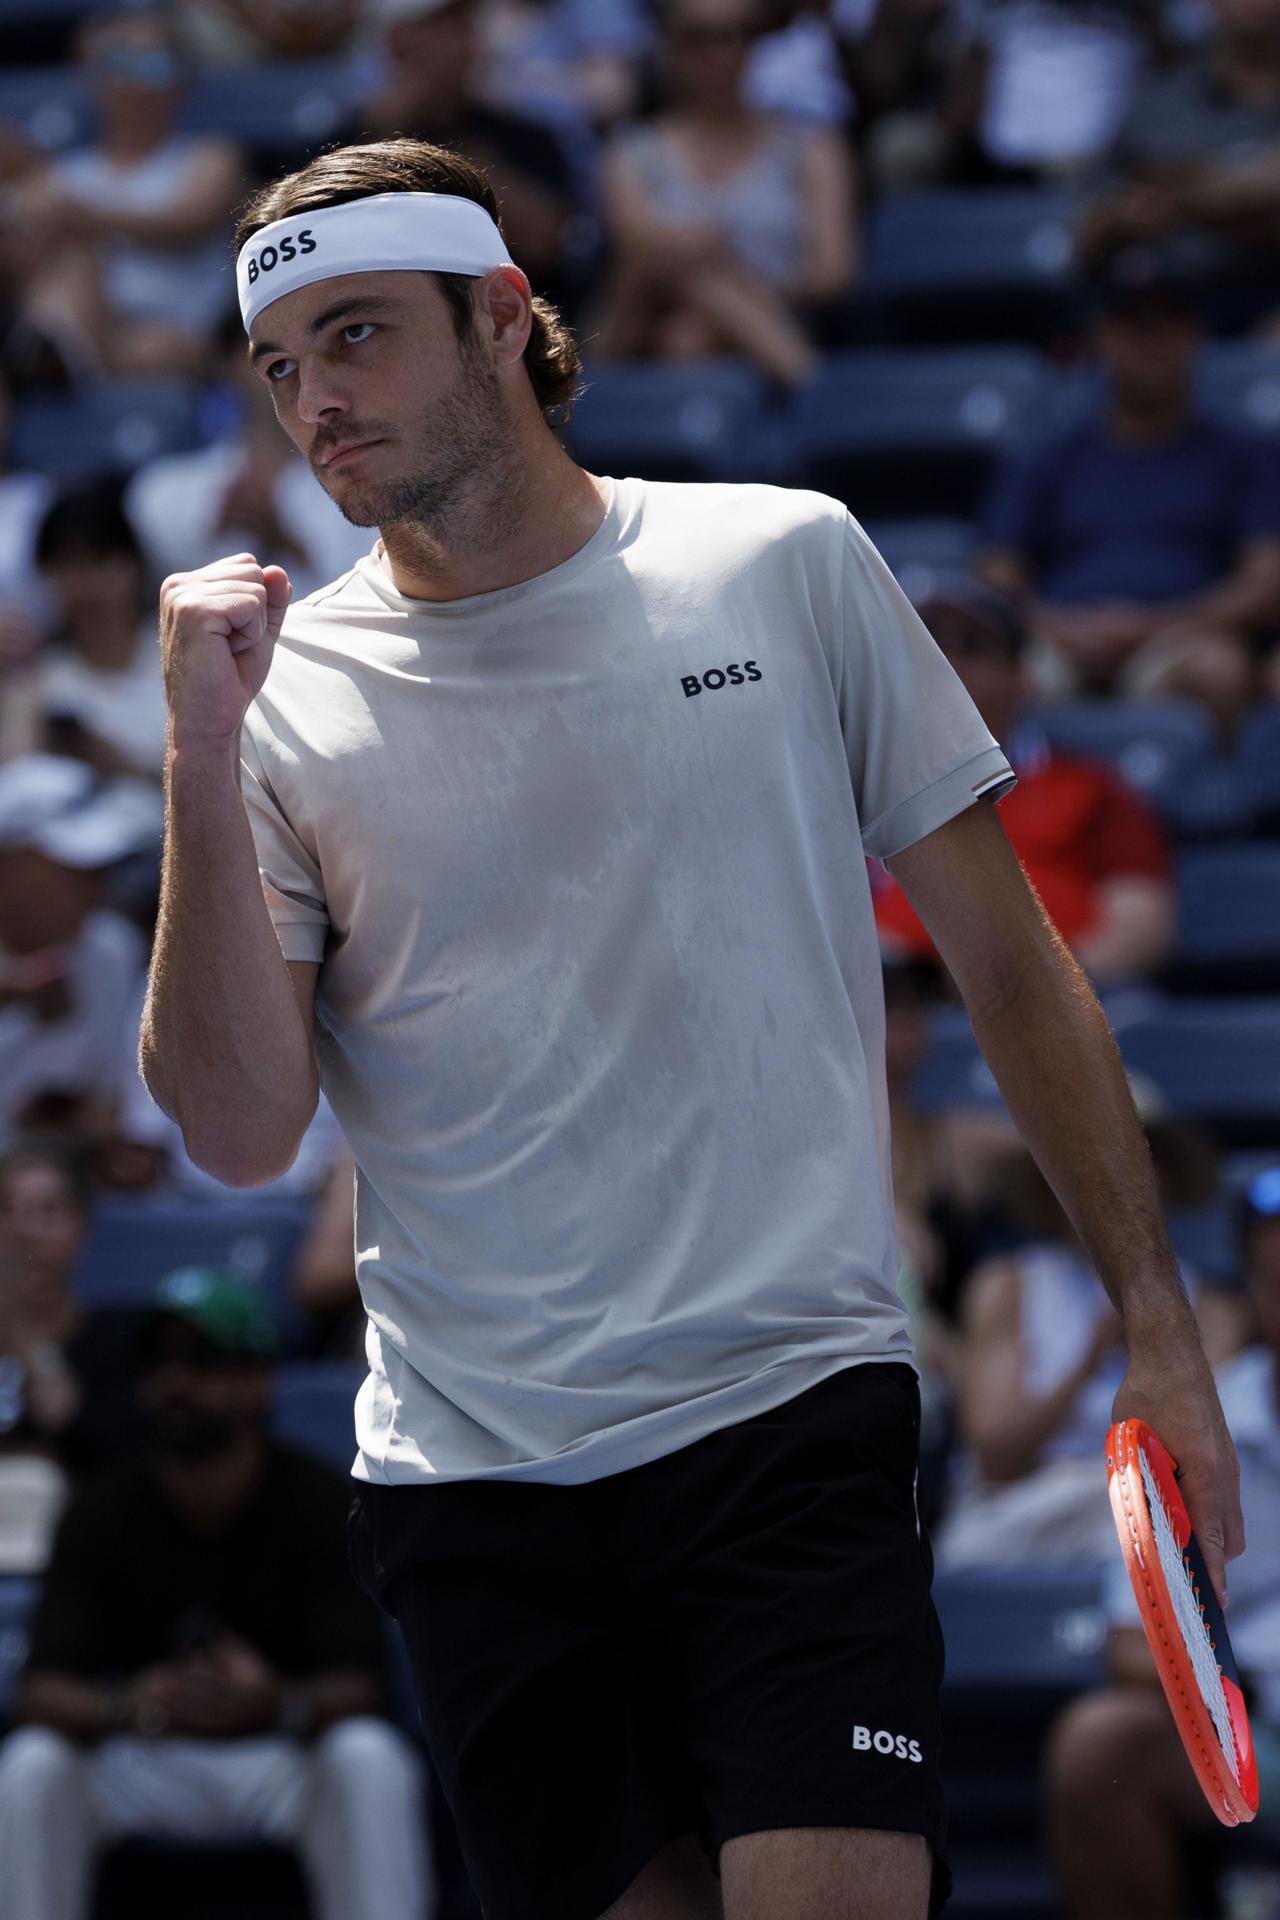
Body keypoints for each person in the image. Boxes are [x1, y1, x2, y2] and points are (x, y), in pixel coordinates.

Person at [139, 134, 1243, 1920]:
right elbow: (240, 1133)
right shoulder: (270, 710)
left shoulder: (785, 563)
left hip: (785, 1419)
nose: (313, 403)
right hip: (475, 1486)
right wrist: (194, 753)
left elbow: (1016, 966)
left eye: (357, 337)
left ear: (501, 317)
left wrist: (1159, 1331)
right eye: (280, 367)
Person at [0, 1266, 432, 1920]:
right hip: (142, 1749)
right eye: (158, 1362)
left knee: (369, 1760)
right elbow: (40, 1691)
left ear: (258, 1379)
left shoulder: (319, 1500)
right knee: (34, 1766)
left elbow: (362, 1687)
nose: (176, 1383)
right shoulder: (100, 1507)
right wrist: (131, 1704)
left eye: (204, 1361)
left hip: (276, 1754)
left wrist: (271, 1702)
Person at [1047, 1166, 1280, 1920]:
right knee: (1098, 1744)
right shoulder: (1198, 1425)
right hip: (1256, 1730)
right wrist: (1238, 1688)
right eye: (1279, 1281)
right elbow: (1127, 1642)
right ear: (1255, 1293)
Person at [978, 240, 1280, 735]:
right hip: (1062, 640)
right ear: (1102, 336)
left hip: (1183, 638)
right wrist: (1053, 626)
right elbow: (996, 575)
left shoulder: (1244, 454)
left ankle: (1209, 812)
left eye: (1168, 321)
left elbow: (1265, 582)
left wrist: (1156, 625)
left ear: (1195, 335)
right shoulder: (1050, 455)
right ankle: (1026, 814)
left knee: (1218, 672)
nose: (1151, 341)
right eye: (1132, 323)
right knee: (987, 678)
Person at [872, 579, 1176, 988]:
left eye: (972, 645)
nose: (945, 660)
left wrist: (1037, 1001)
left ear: (1021, 677)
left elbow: (1140, 920)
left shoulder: (1091, 787)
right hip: (891, 1017)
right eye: (925, 645)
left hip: (1056, 1009)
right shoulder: (852, 794)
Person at [596, 0, 858, 384]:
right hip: (638, 327)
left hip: (774, 313)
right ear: (670, 47)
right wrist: (705, 257)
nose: (719, 54)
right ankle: (807, 378)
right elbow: (642, 250)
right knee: (681, 277)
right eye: (698, 38)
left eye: (736, 36)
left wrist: (737, 278)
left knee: (687, 338)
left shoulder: (811, 148)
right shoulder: (631, 154)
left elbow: (832, 272)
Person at [9, 6, 243, 377]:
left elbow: (187, 220)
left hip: (180, 332)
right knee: (68, 259)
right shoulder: (63, 172)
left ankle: (68, 365)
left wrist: (86, 217)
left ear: (183, 78)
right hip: (95, 320)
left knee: (152, 350)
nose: (136, 82)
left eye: (155, 64)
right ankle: (61, 360)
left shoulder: (209, 157)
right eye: (121, 63)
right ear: (92, 74)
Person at [126, 310, 373, 606]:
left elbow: (366, 601)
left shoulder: (361, 479)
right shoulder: (165, 488)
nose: (281, 374)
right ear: (226, 367)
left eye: (288, 358)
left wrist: (282, 540)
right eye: (264, 356)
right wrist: (212, 529)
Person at [0, 754, 160, 1151]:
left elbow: (106, 1098)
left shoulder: (108, 949)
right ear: (11, 862)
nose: (95, 887)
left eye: (101, 867)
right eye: (75, 868)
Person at [35, 481, 168, 784]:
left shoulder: (185, 654)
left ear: (135, 565)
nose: (84, 584)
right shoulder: (39, 675)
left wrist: (118, 765)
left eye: (98, 561)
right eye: (65, 565)